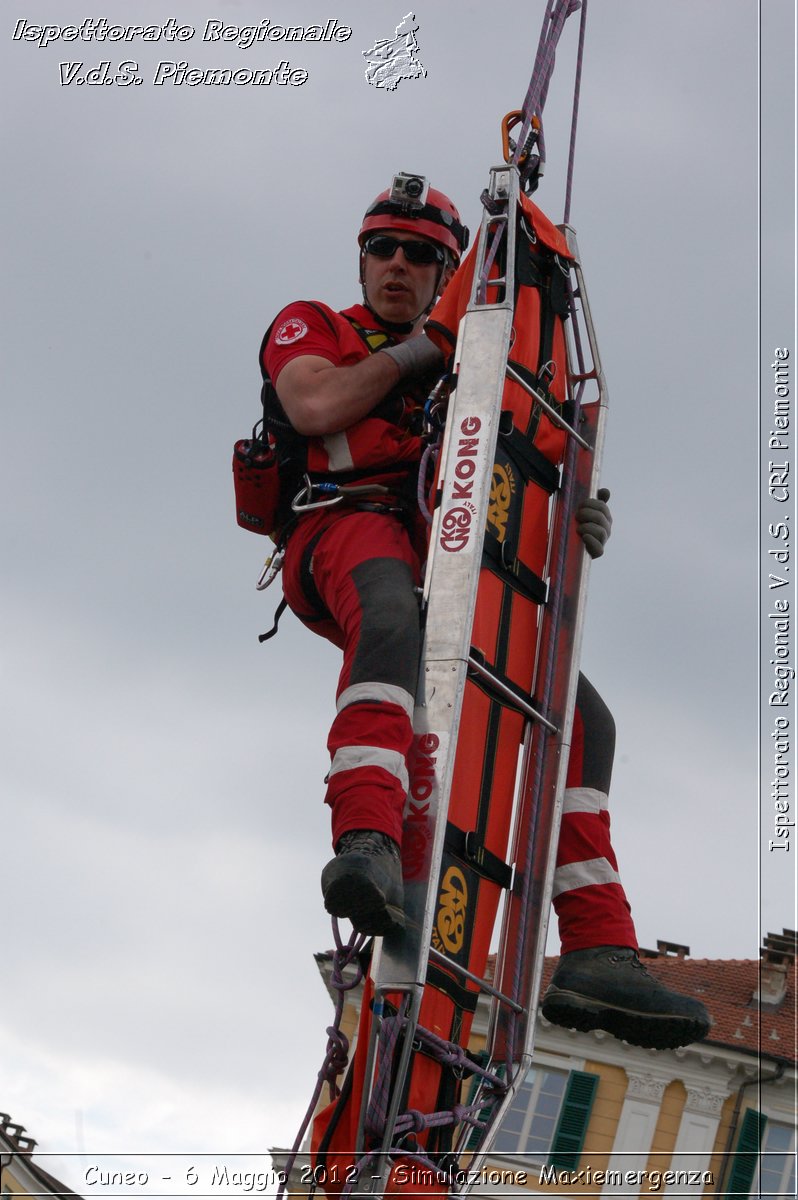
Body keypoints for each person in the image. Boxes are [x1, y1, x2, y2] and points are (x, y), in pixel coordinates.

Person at [259, 174, 709, 1050]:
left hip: (447, 548)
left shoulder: (481, 366)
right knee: (388, 614)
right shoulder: (317, 327)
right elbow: (315, 404)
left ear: (448, 269)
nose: (397, 264)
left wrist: (569, 507)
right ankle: (369, 840)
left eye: (422, 255)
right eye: (383, 248)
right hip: (341, 526)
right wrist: (433, 342)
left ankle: (597, 948)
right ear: (361, 258)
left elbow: (503, 462)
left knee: (584, 720)